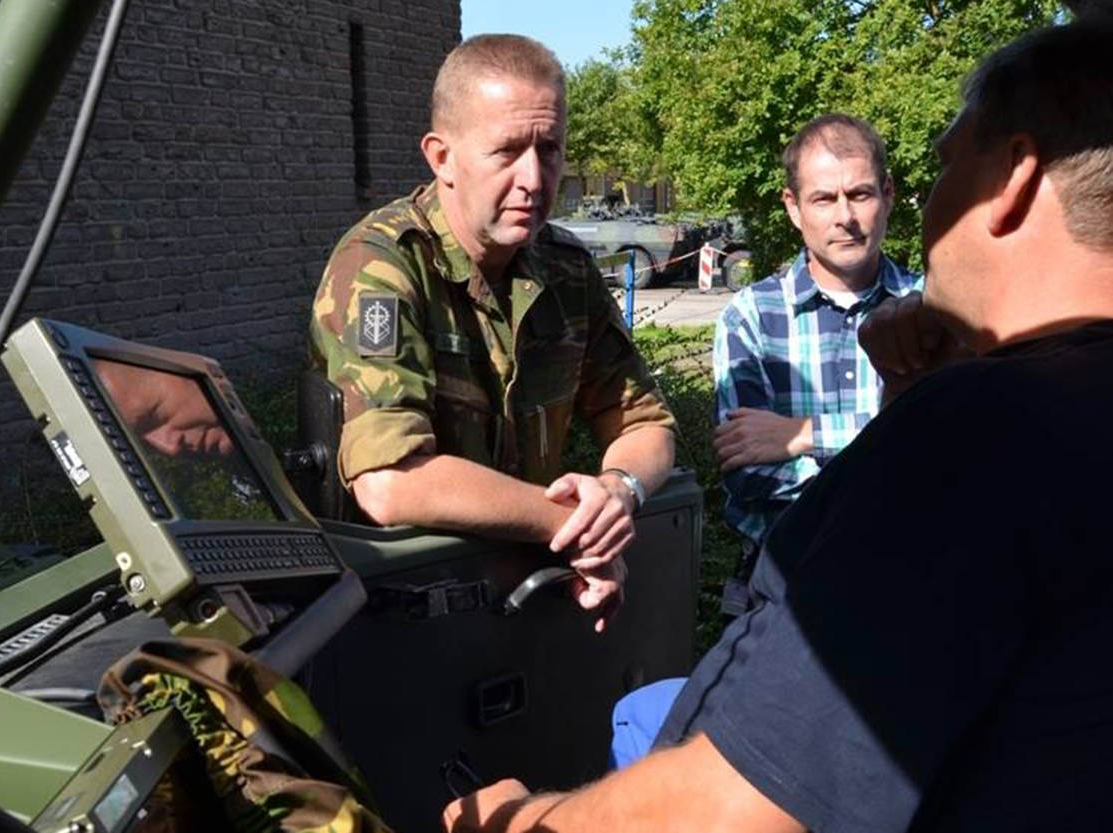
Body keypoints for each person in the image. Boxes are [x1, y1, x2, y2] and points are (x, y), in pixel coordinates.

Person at [443, 17, 1113, 832]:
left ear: (1013, 177)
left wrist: (514, 819)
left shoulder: (979, 435)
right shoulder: (1042, 405)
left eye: (944, 164)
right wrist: (906, 395)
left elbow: (730, 808)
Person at [309, 35, 676, 630]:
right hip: (400, 608)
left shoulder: (565, 268)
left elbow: (644, 423)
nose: (534, 177)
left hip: (526, 592)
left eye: (549, 149)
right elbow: (389, 480)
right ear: (442, 158)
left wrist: (617, 491)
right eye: (507, 151)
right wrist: (575, 527)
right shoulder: (383, 265)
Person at [712, 114, 922, 552]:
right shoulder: (751, 317)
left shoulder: (931, 307)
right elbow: (747, 472)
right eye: (824, 199)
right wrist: (898, 466)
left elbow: (954, 440)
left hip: (913, 573)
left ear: (887, 194)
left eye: (860, 194)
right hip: (786, 579)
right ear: (793, 207)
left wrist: (806, 434)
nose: (845, 217)